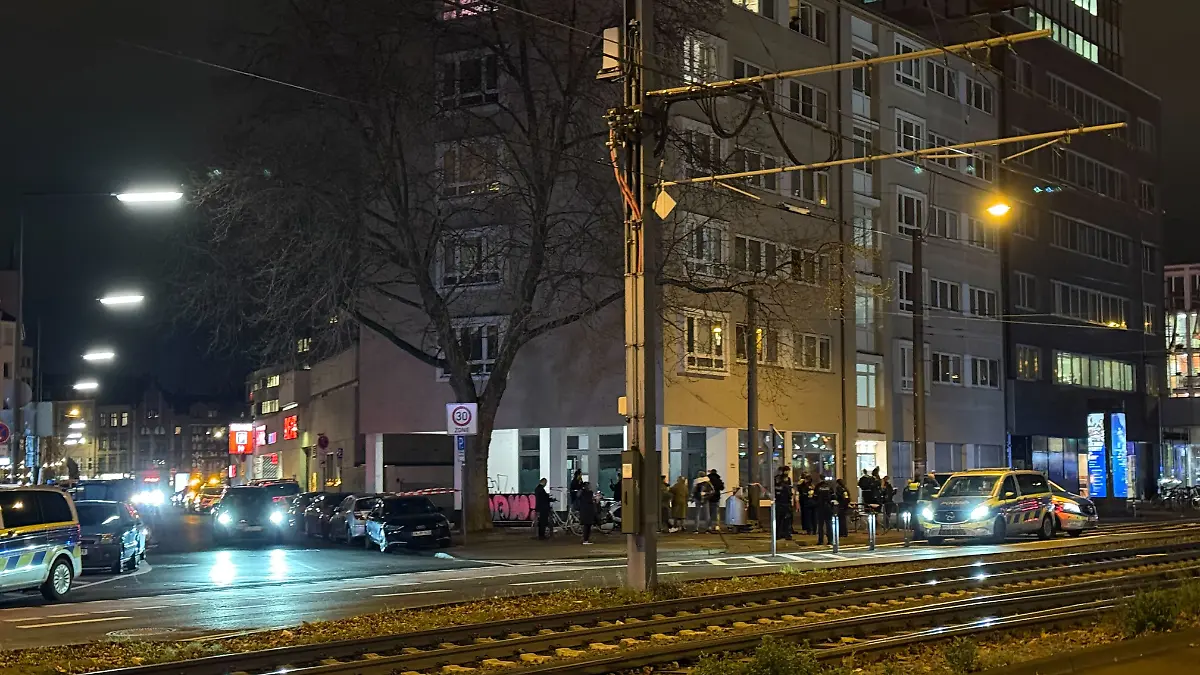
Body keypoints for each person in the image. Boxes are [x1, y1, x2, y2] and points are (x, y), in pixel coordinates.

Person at [814, 477, 834, 545]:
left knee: (820, 525)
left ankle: (821, 540)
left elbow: (815, 497)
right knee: (829, 524)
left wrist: (816, 503)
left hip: (820, 507)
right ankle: (830, 540)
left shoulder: (818, 486)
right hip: (828, 507)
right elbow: (833, 497)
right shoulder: (829, 486)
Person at [774, 473, 793, 540]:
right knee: (787, 521)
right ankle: (787, 535)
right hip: (785, 505)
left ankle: (777, 535)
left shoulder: (775, 487)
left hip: (778, 504)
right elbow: (789, 495)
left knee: (778, 521)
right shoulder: (786, 487)